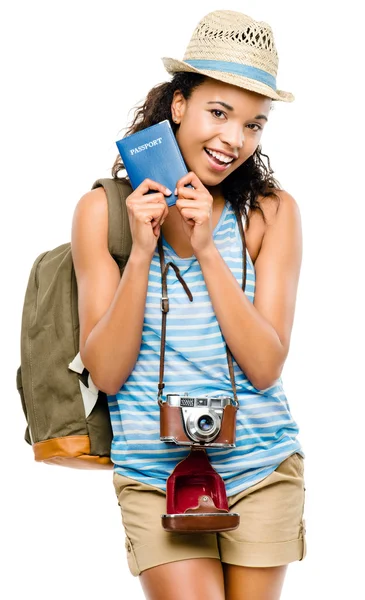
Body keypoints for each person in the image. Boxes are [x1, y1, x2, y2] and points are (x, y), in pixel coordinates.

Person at [71, 9, 305, 600]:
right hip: (154, 474)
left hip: (259, 466)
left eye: (254, 124)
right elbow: (105, 371)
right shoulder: (102, 214)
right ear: (179, 104)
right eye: (219, 112)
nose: (234, 140)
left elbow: (265, 364)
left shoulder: (271, 214)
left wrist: (207, 250)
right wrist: (144, 254)